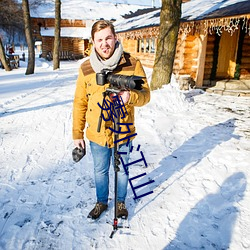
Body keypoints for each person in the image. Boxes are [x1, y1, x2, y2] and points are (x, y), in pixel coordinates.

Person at [72, 20, 150, 220]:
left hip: (123, 130)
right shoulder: (86, 68)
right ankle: (101, 202)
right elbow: (80, 102)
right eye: (100, 40)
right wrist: (77, 134)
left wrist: (130, 97)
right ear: (93, 42)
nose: (104, 43)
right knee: (100, 171)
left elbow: (146, 95)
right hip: (97, 133)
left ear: (115, 38)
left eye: (108, 38)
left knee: (122, 170)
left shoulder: (132, 63)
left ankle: (121, 202)